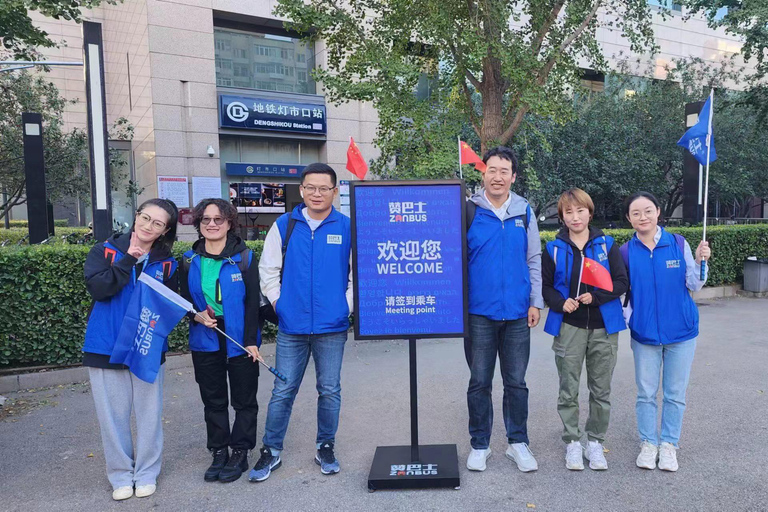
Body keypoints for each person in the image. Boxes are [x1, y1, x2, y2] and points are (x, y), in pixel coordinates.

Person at [250, 163, 352, 482]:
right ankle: (271, 450)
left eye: (324, 188)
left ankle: (325, 445)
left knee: (330, 390)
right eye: (311, 187)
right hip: (291, 327)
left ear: (334, 192)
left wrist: (343, 308)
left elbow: (358, 275)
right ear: (301, 190)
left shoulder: (348, 227)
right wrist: (281, 305)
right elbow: (267, 271)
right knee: (283, 389)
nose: (317, 194)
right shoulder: (284, 225)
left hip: (332, 327)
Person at [83, 199, 178, 501]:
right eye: (145, 217)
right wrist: (127, 261)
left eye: (157, 223)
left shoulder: (167, 262)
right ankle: (121, 475)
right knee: (112, 417)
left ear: (165, 231)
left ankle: (147, 472)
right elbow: (99, 289)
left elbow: (172, 303)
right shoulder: (105, 250)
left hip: (147, 347)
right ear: (135, 216)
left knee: (150, 414)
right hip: (105, 345)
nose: (148, 226)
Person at [465, 146, 544, 473]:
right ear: (483, 173)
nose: (497, 177)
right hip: (478, 313)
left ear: (513, 176)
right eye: (492, 170)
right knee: (479, 381)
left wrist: (535, 301)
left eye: (504, 171)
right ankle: (479, 444)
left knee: (516, 382)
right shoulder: (468, 210)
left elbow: (533, 259)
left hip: (516, 313)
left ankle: (517, 443)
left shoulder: (524, 211)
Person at [622, 192, 711, 472]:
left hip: (681, 332)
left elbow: (695, 285)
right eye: (636, 213)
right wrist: (631, 320)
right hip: (645, 334)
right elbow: (621, 292)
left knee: (674, 393)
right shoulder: (625, 251)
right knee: (646, 393)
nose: (643, 217)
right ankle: (649, 443)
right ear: (629, 218)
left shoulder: (678, 243)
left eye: (648, 211)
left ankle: (669, 445)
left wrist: (700, 261)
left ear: (658, 212)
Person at [541, 188, 628, 471]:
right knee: (568, 389)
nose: (575, 217)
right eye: (569, 212)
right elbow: (544, 285)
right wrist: (559, 302)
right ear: (562, 217)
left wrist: (598, 296)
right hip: (570, 327)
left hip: (604, 326)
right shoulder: (554, 248)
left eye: (580, 211)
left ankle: (595, 443)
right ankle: (572, 443)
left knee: (600, 389)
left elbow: (621, 282)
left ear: (590, 213)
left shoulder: (606, 245)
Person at [179, 198, 262, 483]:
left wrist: (251, 340)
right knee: (213, 400)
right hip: (205, 337)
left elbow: (254, 304)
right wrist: (196, 316)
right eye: (206, 220)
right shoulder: (189, 261)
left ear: (229, 223)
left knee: (244, 400)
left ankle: (240, 451)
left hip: (240, 339)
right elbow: (184, 303)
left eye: (218, 219)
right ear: (199, 225)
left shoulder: (245, 258)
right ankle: (219, 450)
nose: (212, 224)